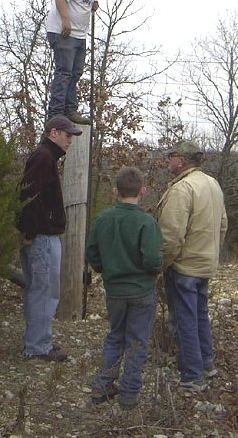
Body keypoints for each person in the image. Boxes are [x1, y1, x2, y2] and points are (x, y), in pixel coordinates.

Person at [86, 166, 163, 409]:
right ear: (143, 191)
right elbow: (152, 259)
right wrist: (155, 270)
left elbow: (93, 253)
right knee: (137, 341)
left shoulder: (102, 219)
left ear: (115, 191)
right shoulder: (146, 222)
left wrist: (105, 270)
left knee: (115, 335)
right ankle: (129, 395)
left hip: (115, 291)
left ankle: (103, 385)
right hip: (141, 290)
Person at [155, 140, 228, 392]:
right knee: (199, 315)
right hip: (205, 263)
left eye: (171, 155)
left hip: (183, 266)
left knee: (183, 318)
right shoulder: (212, 184)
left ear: (182, 160)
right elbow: (223, 225)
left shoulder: (182, 189)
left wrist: (162, 264)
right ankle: (207, 365)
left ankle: (191, 375)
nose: (168, 160)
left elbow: (171, 236)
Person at [17, 115, 82, 361]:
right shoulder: (44, 157)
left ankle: (38, 340)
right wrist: (30, 232)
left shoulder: (44, 156)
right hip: (42, 236)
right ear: (53, 132)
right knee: (44, 291)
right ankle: (37, 346)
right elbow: (29, 195)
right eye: (67, 136)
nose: (70, 141)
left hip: (41, 235)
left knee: (40, 290)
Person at [46, 0, 115, 125]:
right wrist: (65, 20)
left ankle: (69, 110)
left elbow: (79, 4)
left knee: (75, 73)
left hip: (79, 35)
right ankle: (56, 113)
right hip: (64, 33)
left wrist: (92, 6)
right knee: (64, 72)